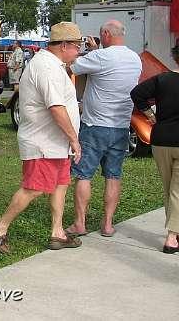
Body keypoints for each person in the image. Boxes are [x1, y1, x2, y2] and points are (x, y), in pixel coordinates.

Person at [0, 22, 83, 254]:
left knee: (61, 185)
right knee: (34, 188)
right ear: (63, 45)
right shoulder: (46, 67)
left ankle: (57, 233)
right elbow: (56, 107)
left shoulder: (53, 65)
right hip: (43, 142)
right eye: (76, 46)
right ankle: (0, 227)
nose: (79, 51)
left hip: (55, 142)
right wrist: (74, 139)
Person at [65, 20, 141, 238]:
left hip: (95, 125)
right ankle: (107, 224)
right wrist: (96, 51)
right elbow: (110, 68)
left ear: (106, 34)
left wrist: (84, 51)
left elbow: (71, 67)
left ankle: (80, 223)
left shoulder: (98, 57)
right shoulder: (134, 58)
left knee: (84, 175)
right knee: (113, 176)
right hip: (121, 127)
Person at [130, 44, 179, 254]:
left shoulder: (162, 79)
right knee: (177, 191)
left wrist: (150, 115)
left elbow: (136, 93)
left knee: (170, 189)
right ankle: (171, 237)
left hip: (161, 139)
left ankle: (175, 232)